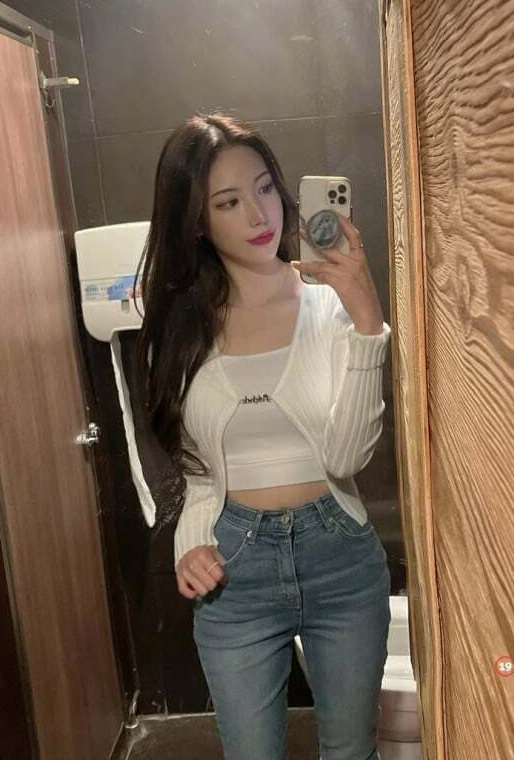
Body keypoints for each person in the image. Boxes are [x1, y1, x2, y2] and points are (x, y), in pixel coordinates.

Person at [133, 111, 392, 760]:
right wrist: (191, 546)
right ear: (196, 221)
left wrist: (367, 323)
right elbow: (198, 472)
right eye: (228, 202)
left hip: (340, 559)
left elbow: (346, 457)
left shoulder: (330, 304)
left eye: (266, 188)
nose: (259, 214)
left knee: (351, 753)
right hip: (234, 573)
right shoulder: (178, 330)